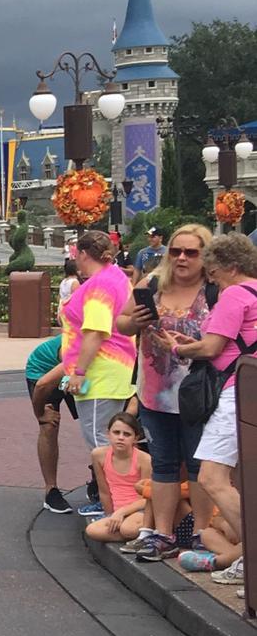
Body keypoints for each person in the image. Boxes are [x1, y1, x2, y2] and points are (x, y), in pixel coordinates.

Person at [114, 224, 214, 560]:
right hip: (155, 393)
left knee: (199, 465)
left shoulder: (215, 290)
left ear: (205, 256)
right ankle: (163, 534)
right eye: (176, 251)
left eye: (191, 252)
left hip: (199, 393)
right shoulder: (153, 283)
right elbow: (122, 322)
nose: (182, 258)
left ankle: (202, 533)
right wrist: (136, 321)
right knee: (164, 464)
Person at [170, 232, 257, 590]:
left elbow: (211, 348)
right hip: (252, 386)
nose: (213, 279)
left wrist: (179, 349)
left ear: (231, 267)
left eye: (215, 272)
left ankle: (252, 556)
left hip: (237, 390)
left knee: (211, 478)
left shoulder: (234, 294)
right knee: (241, 478)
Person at [58, 230, 135, 517]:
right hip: (115, 369)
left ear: (82, 254)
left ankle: (115, 507)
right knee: (110, 440)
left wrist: (79, 371)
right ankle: (115, 503)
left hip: (99, 373)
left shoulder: (100, 284)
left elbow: (95, 332)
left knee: (102, 443)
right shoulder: (117, 277)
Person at [24, 333, 75, 513]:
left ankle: (97, 480)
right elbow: (42, 385)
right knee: (49, 424)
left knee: (93, 422)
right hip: (43, 372)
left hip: (74, 372)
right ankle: (51, 490)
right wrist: (40, 414)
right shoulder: (72, 348)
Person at [83, 412, 153, 543]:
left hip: (139, 510)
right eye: (116, 433)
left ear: (135, 438)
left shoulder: (144, 459)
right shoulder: (98, 455)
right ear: (108, 434)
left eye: (127, 434)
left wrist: (122, 512)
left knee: (128, 529)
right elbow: (104, 491)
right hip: (117, 511)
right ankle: (136, 536)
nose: (121, 438)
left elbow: (147, 498)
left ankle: (141, 531)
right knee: (92, 530)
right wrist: (110, 515)